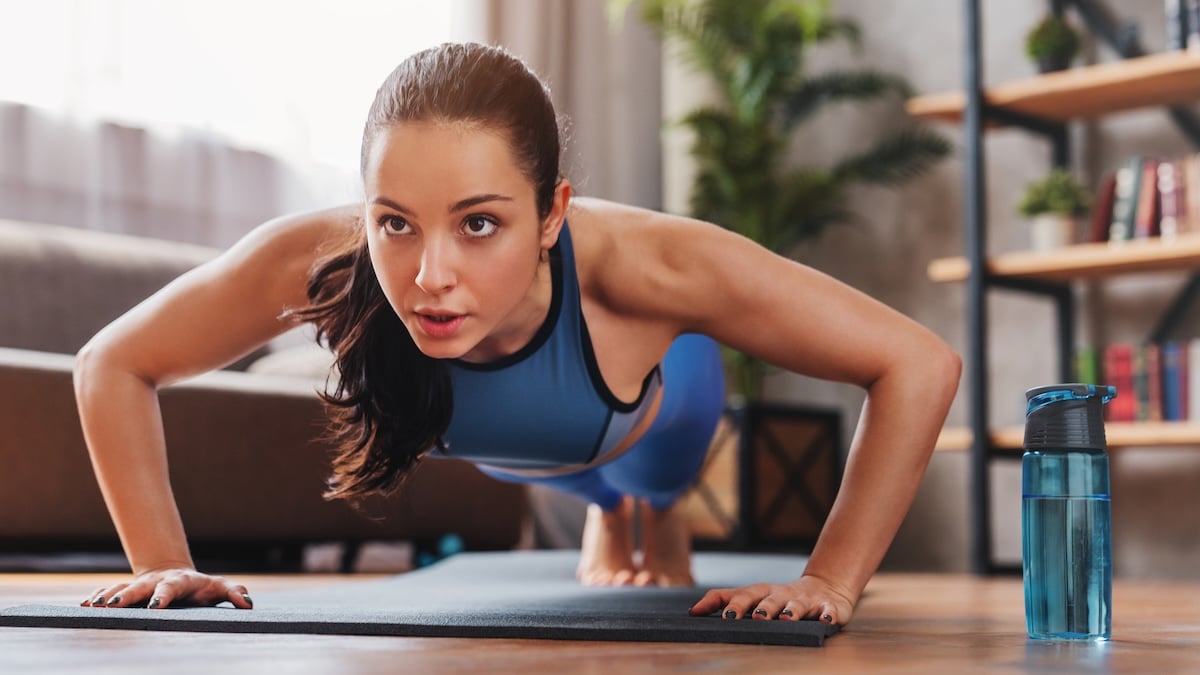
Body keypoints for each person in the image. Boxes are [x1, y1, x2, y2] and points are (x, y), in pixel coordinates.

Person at [74, 42, 960, 626]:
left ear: (550, 215)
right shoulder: (320, 259)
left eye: (480, 223)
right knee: (566, 471)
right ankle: (608, 512)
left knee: (651, 475)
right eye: (396, 221)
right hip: (519, 441)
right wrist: (162, 563)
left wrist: (830, 579)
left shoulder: (651, 265)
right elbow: (113, 361)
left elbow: (916, 361)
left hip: (653, 402)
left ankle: (645, 506)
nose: (430, 275)